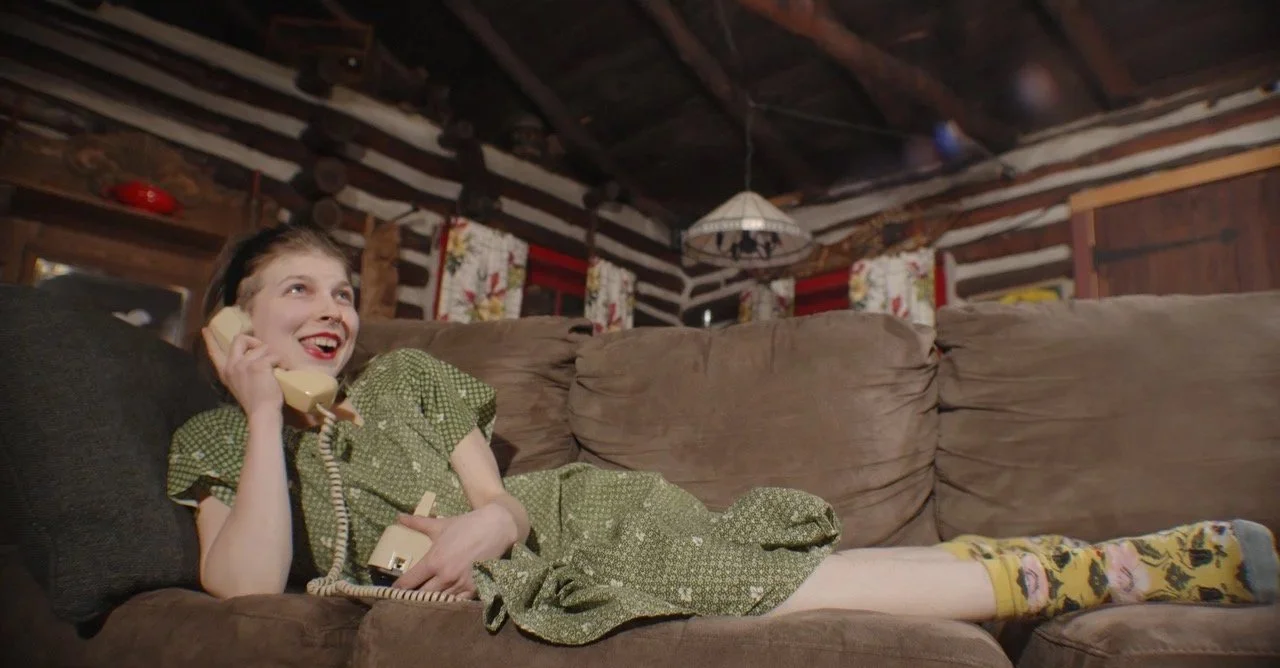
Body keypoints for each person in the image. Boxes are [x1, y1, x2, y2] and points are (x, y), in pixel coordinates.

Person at [167, 222, 1278, 647]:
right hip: (389, 514)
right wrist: (265, 416)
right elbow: (245, 582)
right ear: (237, 318)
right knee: (801, 580)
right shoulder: (222, 440)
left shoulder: (409, 375)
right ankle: (1112, 563)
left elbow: (496, 496)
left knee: (776, 582)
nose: (331, 307)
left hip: (558, 526)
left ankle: (1106, 565)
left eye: (339, 289)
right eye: (294, 290)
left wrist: (486, 527)